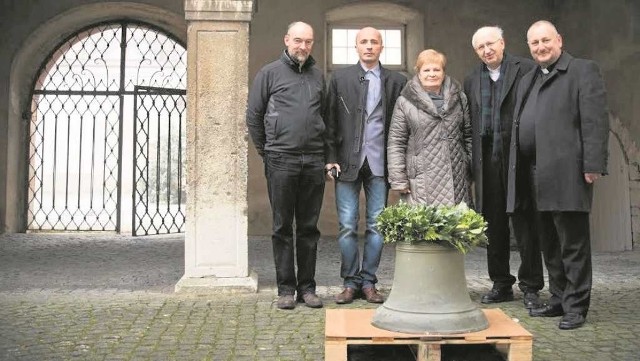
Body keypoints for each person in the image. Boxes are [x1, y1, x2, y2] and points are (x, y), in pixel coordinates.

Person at [507, 20, 609, 330]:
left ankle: (576, 306)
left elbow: (594, 121)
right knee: (548, 242)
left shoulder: (582, 70)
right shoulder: (529, 78)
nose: (540, 47)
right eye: (534, 43)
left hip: (567, 171)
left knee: (572, 243)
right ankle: (559, 298)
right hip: (532, 172)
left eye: (545, 40)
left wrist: (593, 164)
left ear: (559, 40)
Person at [246, 21, 326, 310]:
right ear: (286, 40)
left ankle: (307, 288)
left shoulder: (318, 75)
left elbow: (324, 118)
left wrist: (324, 155)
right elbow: (254, 117)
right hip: (281, 159)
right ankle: (285, 289)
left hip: (314, 160)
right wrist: (267, 152)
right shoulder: (269, 73)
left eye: (308, 41)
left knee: (308, 227)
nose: (302, 46)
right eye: (297, 41)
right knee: (282, 226)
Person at [324, 27, 407, 304]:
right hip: (347, 162)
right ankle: (350, 282)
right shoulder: (340, 79)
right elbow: (330, 121)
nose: (369, 46)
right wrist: (330, 156)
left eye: (374, 42)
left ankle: (369, 282)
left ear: (381, 47)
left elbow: (401, 125)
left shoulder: (396, 81)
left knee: (377, 225)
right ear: (356, 47)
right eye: (364, 42)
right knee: (347, 225)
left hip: (380, 163)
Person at [463, 26, 544, 309]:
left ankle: (531, 285)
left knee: (525, 223)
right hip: (487, 160)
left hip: (518, 159)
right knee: (493, 225)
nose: (487, 50)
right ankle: (500, 283)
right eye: (480, 47)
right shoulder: (472, 79)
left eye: (491, 44)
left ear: (502, 42)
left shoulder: (526, 69)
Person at [387, 49, 472, 207]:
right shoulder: (405, 102)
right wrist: (399, 179)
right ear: (418, 73)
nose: (432, 74)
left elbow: (468, 135)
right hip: (420, 181)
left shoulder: (460, 98)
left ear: (443, 72)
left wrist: (470, 167)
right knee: (425, 229)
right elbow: (396, 142)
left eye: (436, 69)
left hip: (457, 178)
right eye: (426, 70)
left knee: (456, 229)